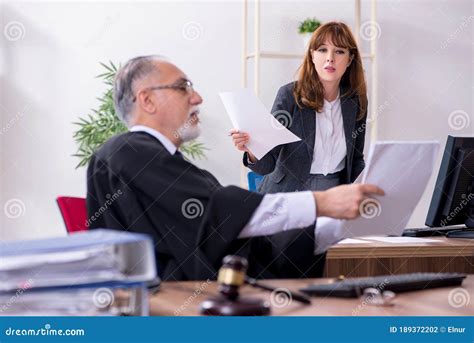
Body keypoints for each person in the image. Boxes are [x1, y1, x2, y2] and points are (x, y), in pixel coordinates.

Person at [86, 55, 383, 281]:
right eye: (182, 87)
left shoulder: (146, 158)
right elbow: (220, 215)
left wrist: (333, 227)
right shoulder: (128, 152)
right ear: (147, 100)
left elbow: (223, 237)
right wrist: (322, 203)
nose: (197, 98)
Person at [231, 21, 368, 193]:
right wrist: (251, 150)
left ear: (350, 59)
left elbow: (356, 159)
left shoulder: (356, 100)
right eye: (322, 50)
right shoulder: (290, 95)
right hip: (287, 193)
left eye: (339, 51)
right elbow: (267, 164)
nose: (330, 58)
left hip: (335, 192)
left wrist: (368, 185)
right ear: (312, 55)